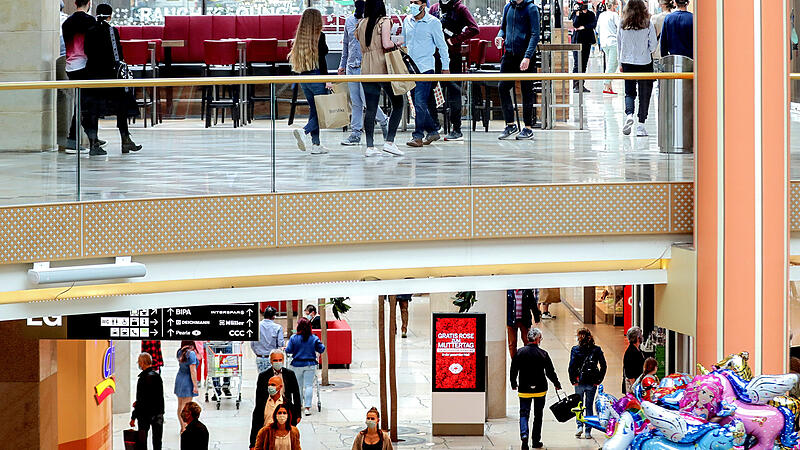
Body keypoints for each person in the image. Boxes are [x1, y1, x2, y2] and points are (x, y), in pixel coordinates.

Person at [83, 3, 142, 156]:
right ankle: (125, 140)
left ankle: (94, 144)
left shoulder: (89, 31)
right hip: (111, 76)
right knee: (121, 107)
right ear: (110, 16)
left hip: (93, 75)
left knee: (93, 110)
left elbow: (87, 51)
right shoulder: (111, 31)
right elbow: (118, 55)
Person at [355, 0, 405, 157]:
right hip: (383, 67)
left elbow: (361, 42)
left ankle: (369, 147)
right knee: (398, 103)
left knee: (370, 108)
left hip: (366, 68)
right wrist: (398, 42)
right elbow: (386, 43)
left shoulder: (361, 23)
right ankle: (389, 142)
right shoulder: (384, 21)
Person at [338, 0, 390, 146]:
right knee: (355, 102)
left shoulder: (371, 21)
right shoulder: (349, 21)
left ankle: (383, 120)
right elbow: (346, 45)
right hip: (351, 66)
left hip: (366, 66)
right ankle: (355, 133)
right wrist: (342, 65)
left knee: (367, 101)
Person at [402, 0, 450, 148]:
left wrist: (445, 66)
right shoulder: (406, 21)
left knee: (420, 102)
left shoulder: (433, 22)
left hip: (426, 68)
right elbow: (404, 43)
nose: (412, 5)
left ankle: (417, 136)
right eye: (410, 2)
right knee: (418, 104)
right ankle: (432, 130)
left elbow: (442, 46)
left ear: (423, 5)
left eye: (415, 2)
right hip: (410, 69)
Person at [429, 0, 479, 141]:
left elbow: (474, 28)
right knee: (428, 88)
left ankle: (456, 128)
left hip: (452, 56)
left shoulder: (460, 9)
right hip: (434, 55)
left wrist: (455, 40)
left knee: (453, 90)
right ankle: (434, 124)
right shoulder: (434, 8)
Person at [494, 0, 539, 140]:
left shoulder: (531, 9)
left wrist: (527, 56)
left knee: (527, 90)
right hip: (509, 54)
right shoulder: (508, 7)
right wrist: (500, 36)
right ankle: (510, 124)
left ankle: (528, 128)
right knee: (502, 87)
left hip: (525, 55)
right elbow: (503, 27)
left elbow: (535, 34)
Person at [511, 328, 562, 450]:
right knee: (538, 415)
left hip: (524, 388)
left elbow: (513, 370)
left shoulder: (519, 352)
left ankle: (524, 435)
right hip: (540, 389)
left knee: (524, 413)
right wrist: (557, 383)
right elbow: (550, 372)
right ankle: (535, 441)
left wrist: (513, 383)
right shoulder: (543, 354)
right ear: (538, 339)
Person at [290, 8, 329, 155]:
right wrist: (328, 80)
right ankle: (304, 131)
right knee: (320, 112)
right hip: (318, 76)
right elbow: (322, 61)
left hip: (304, 78)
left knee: (314, 111)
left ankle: (316, 145)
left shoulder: (300, 38)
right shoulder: (320, 36)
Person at [617, 0, 657, 137]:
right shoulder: (647, 23)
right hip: (645, 62)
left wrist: (620, 62)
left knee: (629, 92)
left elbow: (619, 43)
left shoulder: (622, 24)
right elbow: (653, 46)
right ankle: (641, 125)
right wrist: (646, 50)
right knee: (644, 94)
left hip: (627, 62)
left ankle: (629, 114)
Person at [61, 0, 97, 153]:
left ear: (75, 3)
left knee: (82, 103)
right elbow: (92, 46)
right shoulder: (90, 21)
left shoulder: (67, 22)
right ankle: (75, 139)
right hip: (85, 67)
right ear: (89, 3)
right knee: (85, 105)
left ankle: (89, 138)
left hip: (70, 67)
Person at [250, 350, 302, 449]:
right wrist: (253, 443)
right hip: (269, 407)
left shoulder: (289, 374)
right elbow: (259, 401)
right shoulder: (263, 376)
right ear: (270, 361)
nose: (278, 362)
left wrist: (298, 414)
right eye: (275, 360)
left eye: (280, 360)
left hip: (284, 408)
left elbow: (296, 394)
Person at [567, 328, 607, 440]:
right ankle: (588, 430)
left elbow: (571, 366)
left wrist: (573, 380)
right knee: (589, 406)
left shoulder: (575, 350)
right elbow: (603, 366)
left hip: (579, 381)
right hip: (592, 382)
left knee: (579, 405)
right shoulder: (597, 350)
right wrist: (598, 380)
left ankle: (579, 426)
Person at [286, 317, 326, 416]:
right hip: (310, 364)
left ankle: (299, 405)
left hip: (297, 364)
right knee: (308, 385)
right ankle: (308, 407)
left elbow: (289, 350)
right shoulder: (314, 338)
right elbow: (321, 349)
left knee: (298, 386)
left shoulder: (294, 338)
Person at [130, 352, 164, 450]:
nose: (139, 364)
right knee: (157, 441)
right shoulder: (157, 376)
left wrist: (133, 417)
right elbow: (158, 397)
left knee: (142, 441)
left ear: (143, 363)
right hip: (158, 414)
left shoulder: (143, 379)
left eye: (139, 362)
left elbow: (141, 400)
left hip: (144, 415)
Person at [570, 0, 597, 93]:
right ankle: (576, 85)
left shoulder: (591, 14)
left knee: (584, 63)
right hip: (577, 41)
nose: (584, 7)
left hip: (587, 41)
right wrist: (577, 13)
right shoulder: (575, 14)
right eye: (583, 5)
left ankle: (581, 84)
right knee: (577, 63)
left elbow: (594, 24)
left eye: (585, 5)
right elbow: (575, 24)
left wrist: (584, 27)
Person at [506, 289, 541, 358]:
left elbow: (533, 304)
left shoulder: (527, 291)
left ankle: (527, 360)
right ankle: (514, 362)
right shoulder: (508, 292)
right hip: (511, 320)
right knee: (512, 343)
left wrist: (536, 317)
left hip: (525, 320)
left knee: (527, 341)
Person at [174, 341, 199, 432]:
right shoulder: (191, 354)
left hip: (179, 378)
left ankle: (182, 426)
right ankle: (185, 428)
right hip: (188, 381)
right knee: (187, 407)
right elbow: (193, 371)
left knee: (180, 405)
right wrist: (195, 386)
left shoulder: (179, 352)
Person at [252, 306, 285, 373]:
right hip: (273, 358)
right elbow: (280, 343)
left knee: (262, 378)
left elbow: (252, 344)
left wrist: (257, 353)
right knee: (273, 380)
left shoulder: (256, 326)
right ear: (273, 316)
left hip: (260, 357)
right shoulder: (278, 328)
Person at [597, 0, 620, 94]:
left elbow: (597, 29)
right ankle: (606, 85)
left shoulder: (601, 15)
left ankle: (609, 86)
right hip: (613, 42)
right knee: (612, 64)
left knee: (611, 63)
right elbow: (619, 28)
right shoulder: (615, 15)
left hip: (604, 43)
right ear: (614, 6)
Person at [623, 326, 645, 393]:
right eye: (641, 335)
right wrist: (635, 387)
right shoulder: (630, 352)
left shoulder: (638, 350)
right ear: (637, 338)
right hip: (634, 385)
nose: (642, 337)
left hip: (638, 382)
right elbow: (629, 372)